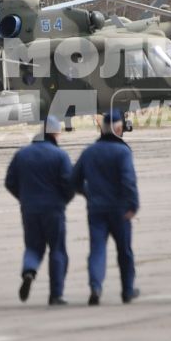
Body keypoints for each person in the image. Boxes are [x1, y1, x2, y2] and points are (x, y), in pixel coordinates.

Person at [72, 109, 141, 305]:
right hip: (120, 210)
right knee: (124, 251)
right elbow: (129, 181)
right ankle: (127, 291)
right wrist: (133, 204)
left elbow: (74, 180)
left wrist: (88, 193)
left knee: (97, 250)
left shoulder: (89, 151)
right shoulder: (123, 151)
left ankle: (95, 286)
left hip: (96, 209)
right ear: (119, 127)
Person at [5, 115, 74, 305]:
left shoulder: (22, 154)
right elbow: (69, 183)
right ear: (54, 133)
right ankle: (56, 294)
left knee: (34, 247)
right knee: (57, 250)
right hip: (53, 209)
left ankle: (29, 271)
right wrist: (63, 201)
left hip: (29, 209)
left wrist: (24, 198)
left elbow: (10, 182)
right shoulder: (60, 155)